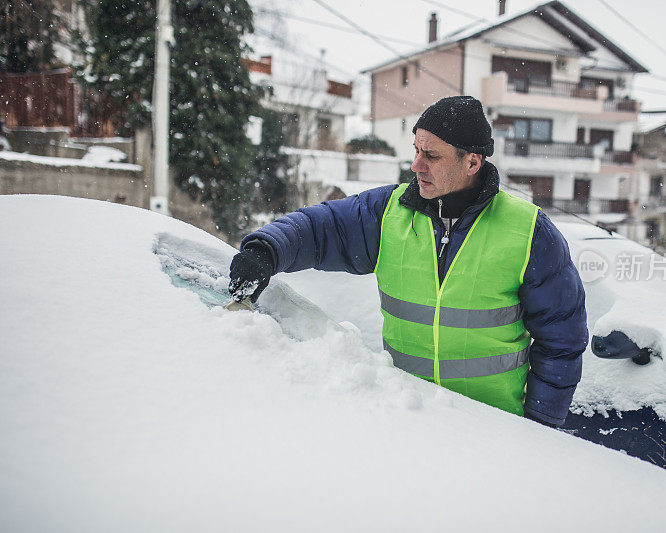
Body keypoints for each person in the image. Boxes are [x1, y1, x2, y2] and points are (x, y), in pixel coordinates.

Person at [229, 96, 588, 427]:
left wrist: (539, 428)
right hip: (408, 418)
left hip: (493, 429)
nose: (416, 165)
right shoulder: (389, 211)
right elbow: (321, 227)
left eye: (431, 156)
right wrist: (266, 251)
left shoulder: (528, 232)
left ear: (472, 162)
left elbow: (562, 340)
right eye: (416, 150)